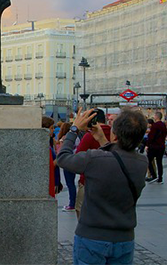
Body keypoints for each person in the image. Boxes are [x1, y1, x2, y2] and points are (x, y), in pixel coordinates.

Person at [57, 108, 148, 265]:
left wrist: (74, 129)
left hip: (92, 237)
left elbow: (63, 158)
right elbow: (118, 158)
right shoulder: (142, 162)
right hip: (124, 238)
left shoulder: (95, 159)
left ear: (115, 134)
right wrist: (101, 139)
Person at [74, 108, 111, 219]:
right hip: (111, 180)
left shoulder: (90, 135)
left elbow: (77, 156)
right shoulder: (114, 133)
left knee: (81, 209)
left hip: (88, 180)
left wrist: (73, 130)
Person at [56, 122, 77, 212]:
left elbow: (61, 152)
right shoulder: (76, 138)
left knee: (70, 183)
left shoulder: (64, 139)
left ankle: (72, 204)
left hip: (67, 162)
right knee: (71, 183)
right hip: (75, 160)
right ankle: (73, 203)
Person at [145, 111, 167, 184]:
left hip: (154, 146)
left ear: (156, 116)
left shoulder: (155, 125)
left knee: (148, 160)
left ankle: (153, 175)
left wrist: (147, 145)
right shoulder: (163, 125)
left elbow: (151, 136)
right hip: (161, 146)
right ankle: (160, 178)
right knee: (159, 162)